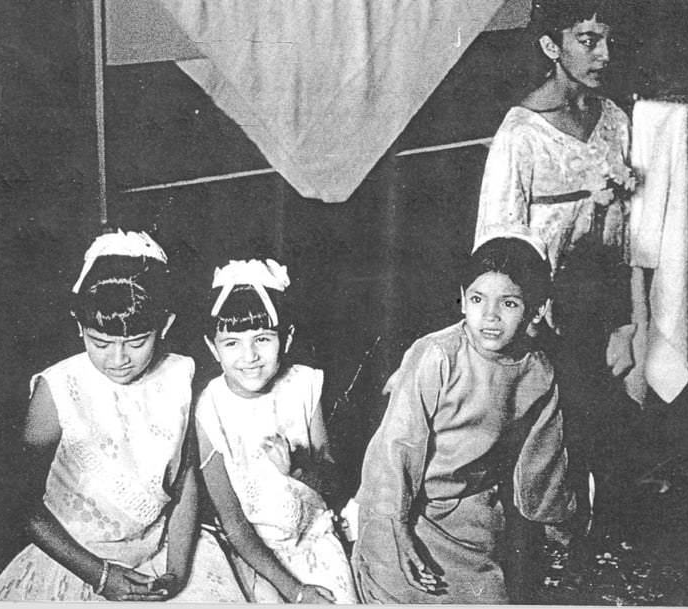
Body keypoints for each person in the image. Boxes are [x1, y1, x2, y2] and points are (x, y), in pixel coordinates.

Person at [0, 230, 245, 602]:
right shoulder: (58, 388)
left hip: (159, 553)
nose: (119, 358)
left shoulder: (179, 374)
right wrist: (100, 575)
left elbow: (185, 478)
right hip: (77, 561)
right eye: (101, 342)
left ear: (165, 326)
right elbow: (20, 504)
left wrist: (175, 570)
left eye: (138, 342)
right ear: (80, 327)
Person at [474, 0, 639, 530]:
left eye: (607, 40)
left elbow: (627, 227)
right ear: (551, 47)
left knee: (604, 412)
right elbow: (496, 239)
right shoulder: (521, 133)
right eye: (587, 40)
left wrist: (627, 309)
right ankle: (550, 524)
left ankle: (598, 523)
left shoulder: (613, 119)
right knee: (549, 426)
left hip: (601, 294)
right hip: (542, 309)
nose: (603, 53)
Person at [351, 230, 579, 604]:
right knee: (397, 587)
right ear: (462, 301)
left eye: (509, 303)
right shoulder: (438, 355)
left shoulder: (539, 373)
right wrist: (395, 529)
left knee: (487, 595)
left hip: (470, 515)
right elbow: (396, 447)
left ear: (537, 309)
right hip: (403, 509)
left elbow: (542, 461)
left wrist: (557, 523)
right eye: (477, 299)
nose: (489, 316)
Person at [195, 259, 358, 604]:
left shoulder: (303, 384)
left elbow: (333, 482)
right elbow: (234, 524)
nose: (249, 356)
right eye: (232, 343)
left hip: (312, 536)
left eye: (262, 338)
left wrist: (299, 469)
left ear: (286, 339)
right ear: (213, 348)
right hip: (251, 552)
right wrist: (296, 592)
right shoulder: (209, 409)